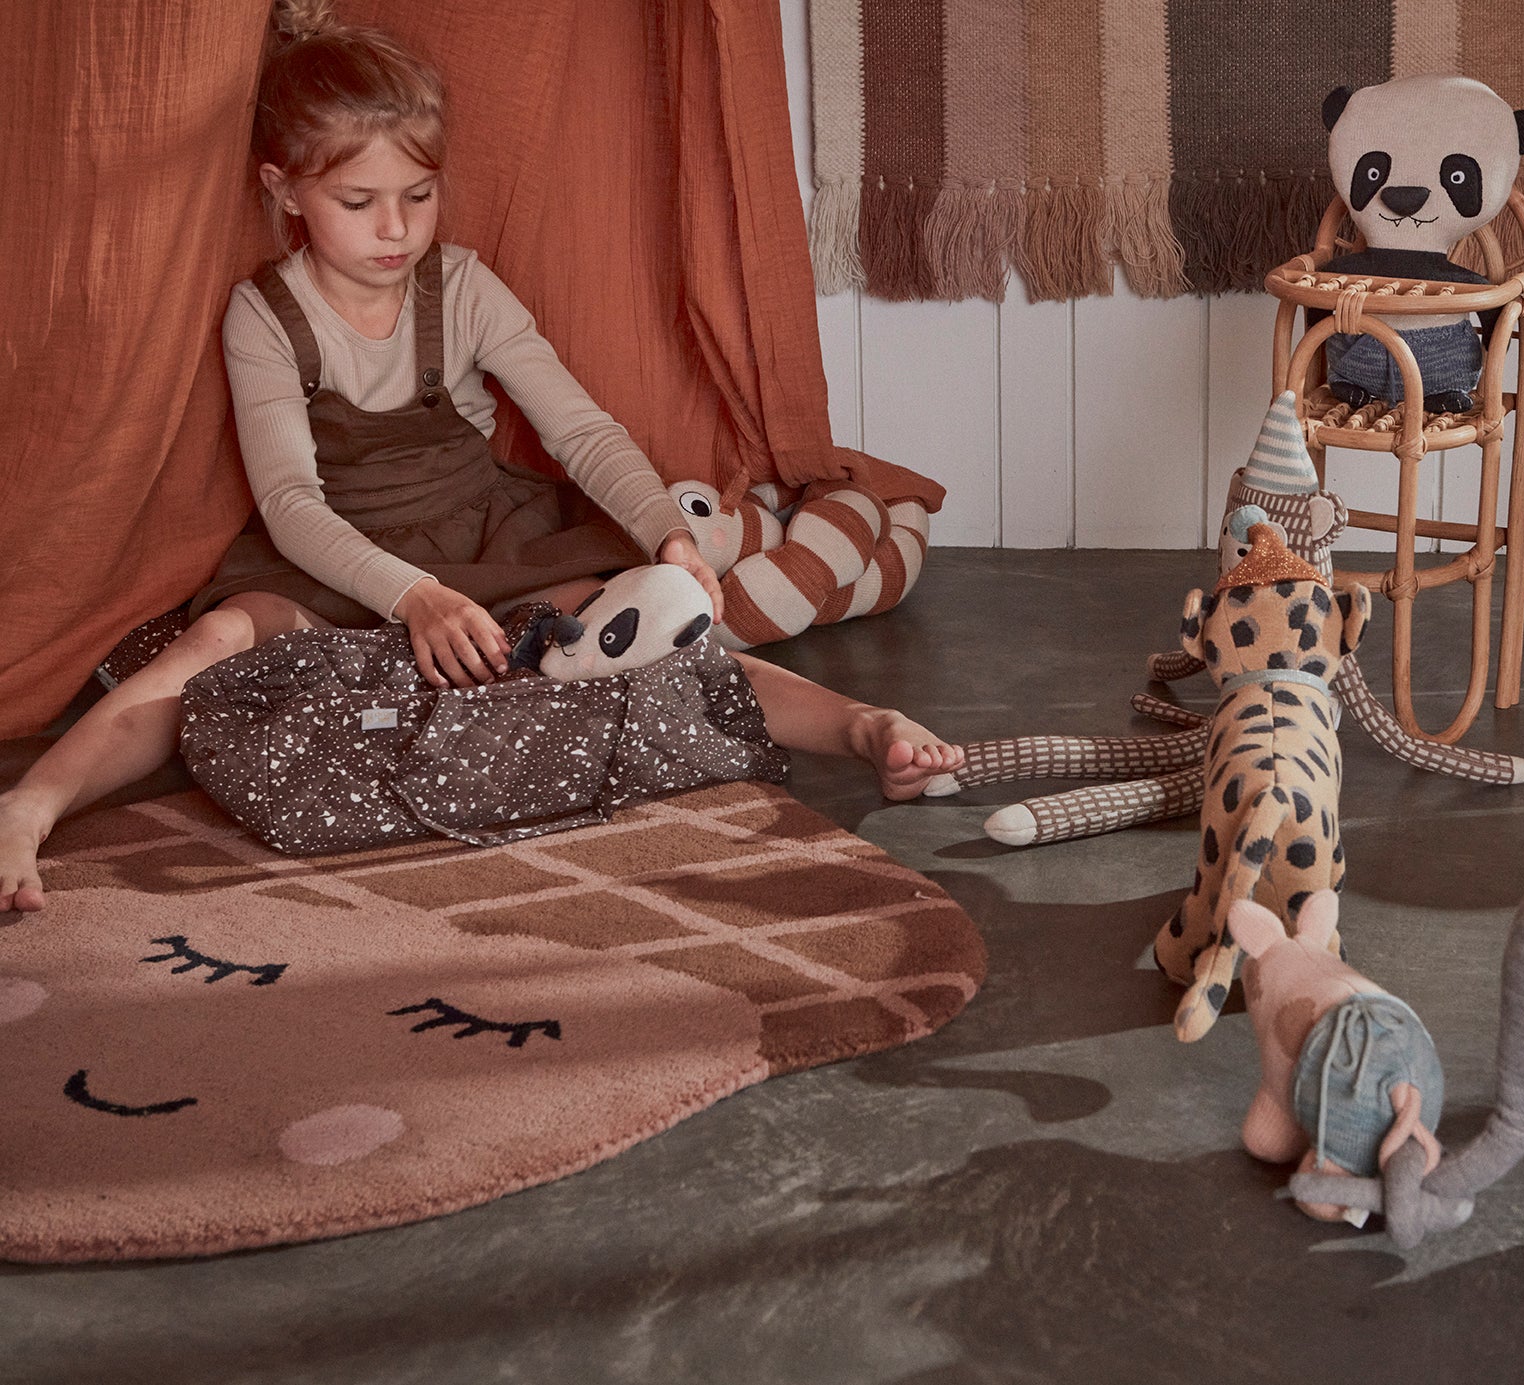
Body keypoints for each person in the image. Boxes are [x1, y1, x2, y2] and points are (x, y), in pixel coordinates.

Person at [0, 0, 960, 914]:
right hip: (337, 560)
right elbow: (291, 505)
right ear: (283, 189)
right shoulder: (265, 314)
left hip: (488, 538)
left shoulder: (461, 287)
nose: (395, 229)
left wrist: (668, 537)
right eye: (358, 200)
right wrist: (414, 597)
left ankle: (860, 727)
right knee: (212, 645)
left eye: (418, 196)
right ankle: (32, 806)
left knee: (635, 631)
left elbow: (581, 431)